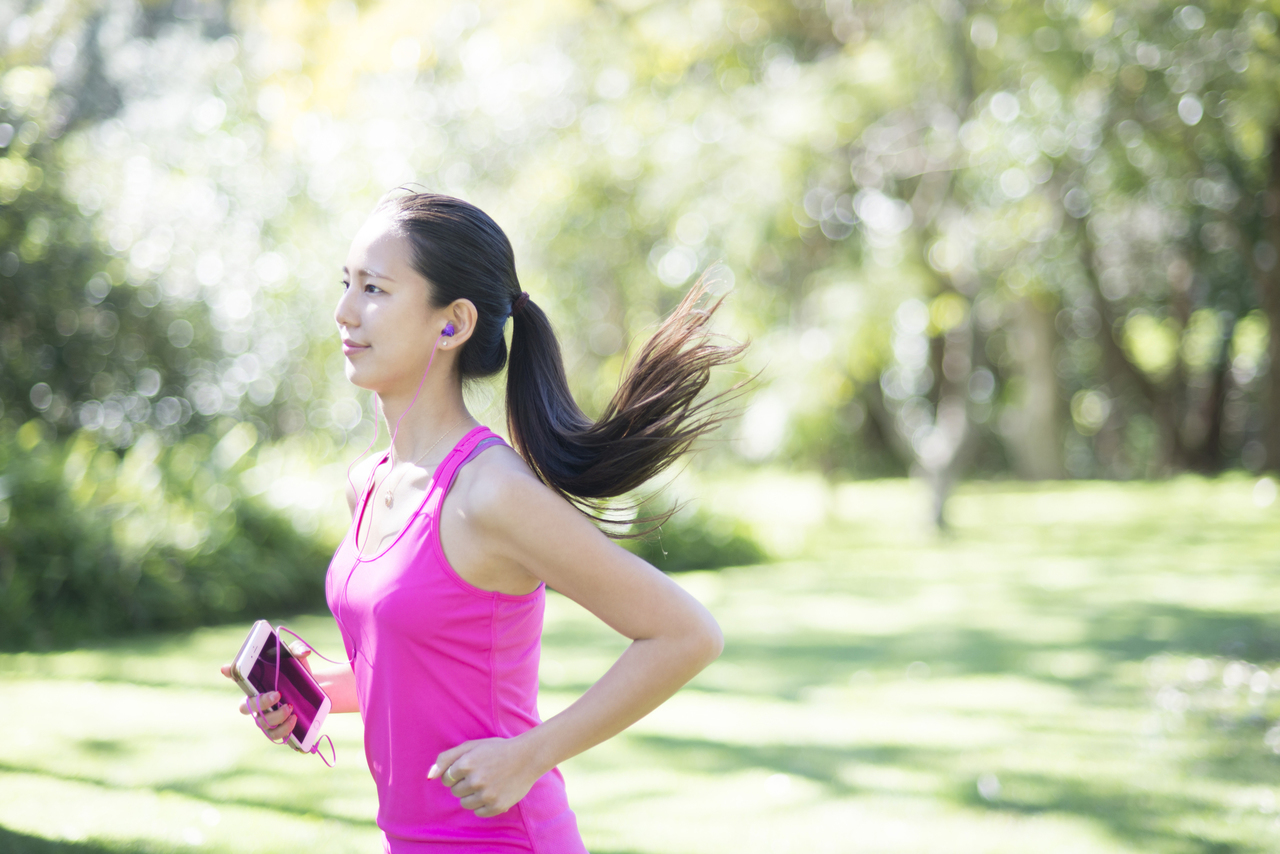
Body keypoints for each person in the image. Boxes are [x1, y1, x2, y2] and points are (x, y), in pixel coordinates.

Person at [220, 192, 744, 853]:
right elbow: (416, 674)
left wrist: (530, 754)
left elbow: (686, 633)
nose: (345, 311)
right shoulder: (368, 484)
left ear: (454, 323)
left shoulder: (490, 492)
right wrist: (312, 695)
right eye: (346, 284)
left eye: (375, 289)